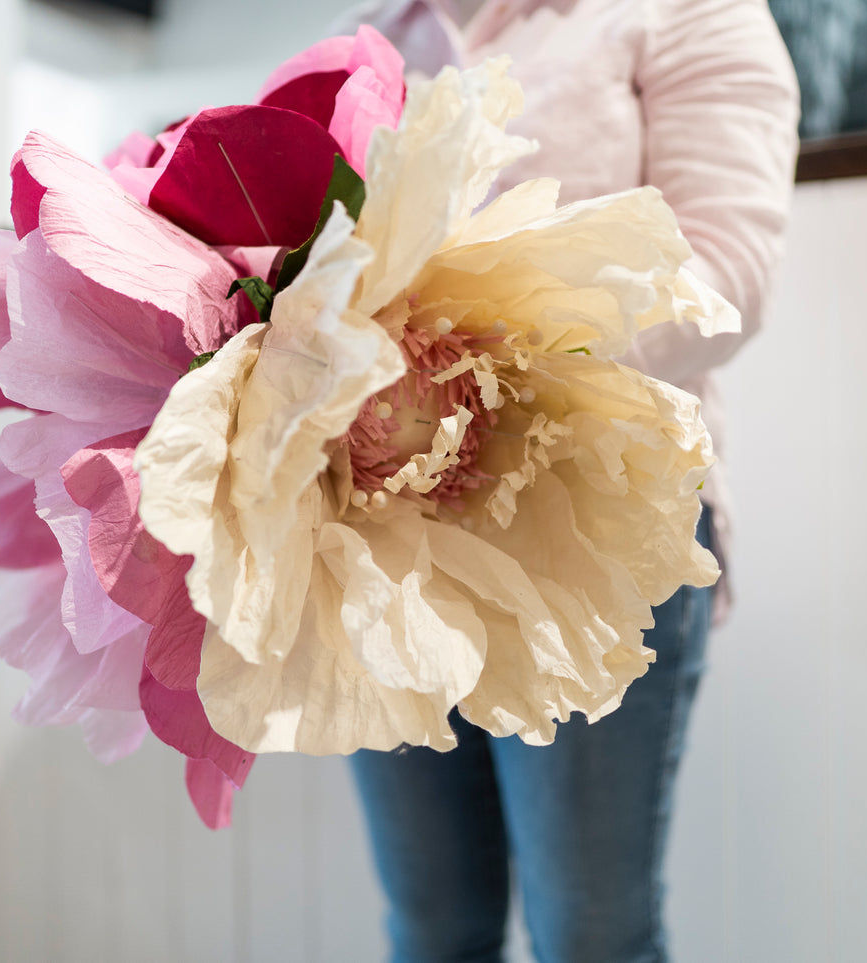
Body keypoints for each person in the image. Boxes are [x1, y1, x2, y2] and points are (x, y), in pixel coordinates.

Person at [332, 1, 800, 961]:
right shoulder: (374, 35)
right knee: (430, 927)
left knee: (589, 932)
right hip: (379, 539)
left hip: (595, 532)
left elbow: (726, 273)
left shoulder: (686, 13)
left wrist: (480, 376)